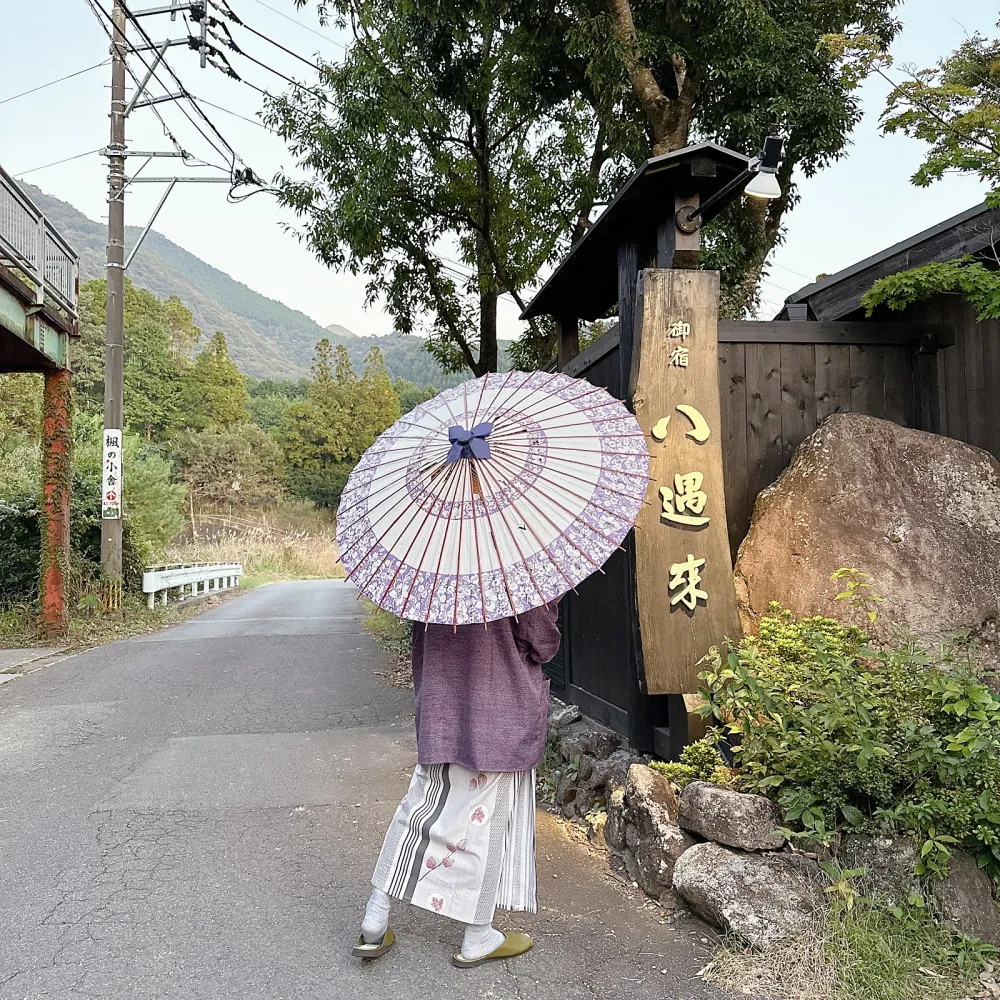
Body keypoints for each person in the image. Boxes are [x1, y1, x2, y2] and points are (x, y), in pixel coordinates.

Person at [353, 602, 562, 969]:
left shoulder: (431, 562)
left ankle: (375, 915)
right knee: (486, 822)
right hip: (497, 708)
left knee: (419, 809)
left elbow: (418, 634)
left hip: (441, 706)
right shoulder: (516, 564)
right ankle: (478, 935)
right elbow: (541, 640)